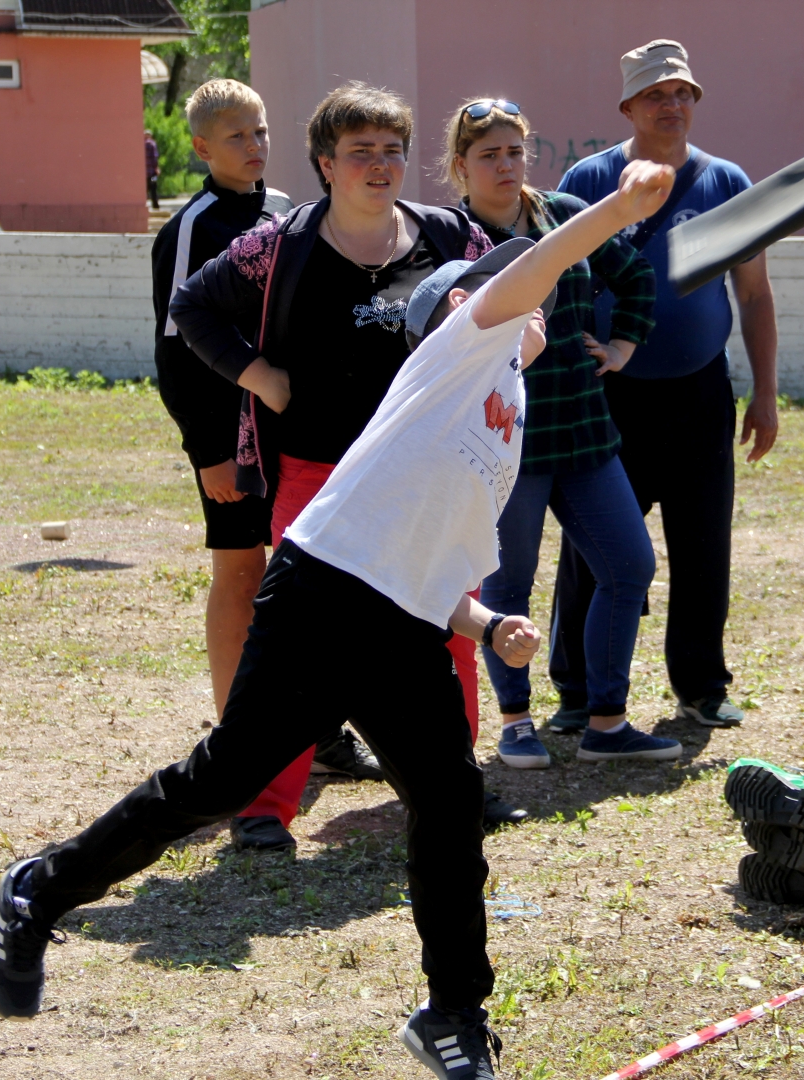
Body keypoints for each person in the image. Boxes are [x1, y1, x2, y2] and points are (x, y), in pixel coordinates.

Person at [0, 158, 682, 1080]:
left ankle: (453, 1014)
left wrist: (483, 627)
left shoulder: (504, 407)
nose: (528, 296)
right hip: (322, 593)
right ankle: (42, 888)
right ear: (458, 308)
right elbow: (533, 273)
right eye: (503, 284)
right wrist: (620, 210)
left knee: (448, 800)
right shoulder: (455, 351)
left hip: (403, 622)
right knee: (223, 779)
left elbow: (426, 555)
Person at [165, 82, 520, 849]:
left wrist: (517, 338)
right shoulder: (279, 246)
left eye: (393, 150)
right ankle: (261, 809)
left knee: (444, 633)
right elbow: (193, 307)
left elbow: (523, 305)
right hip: (317, 474)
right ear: (326, 163)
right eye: (361, 152)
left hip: (428, 475)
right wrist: (259, 376)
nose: (380, 165)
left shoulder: (452, 236)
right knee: (300, 644)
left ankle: (452, 791)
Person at [153, 82, 386, 839]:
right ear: (199, 148)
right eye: (234, 137)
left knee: (313, 584)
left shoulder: (286, 212)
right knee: (244, 578)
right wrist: (209, 452)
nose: (253, 147)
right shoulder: (192, 226)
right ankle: (240, 747)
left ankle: (315, 735)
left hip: (295, 440)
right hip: (233, 444)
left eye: (260, 131)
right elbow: (175, 346)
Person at [547, 39, 780, 730]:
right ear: (628, 107)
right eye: (655, 95)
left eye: (682, 93)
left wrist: (764, 392)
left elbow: (756, 295)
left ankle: (702, 684)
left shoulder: (726, 183)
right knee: (593, 545)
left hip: (699, 391)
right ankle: (579, 692)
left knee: (704, 542)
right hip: (608, 393)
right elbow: (557, 278)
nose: (672, 105)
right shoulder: (588, 181)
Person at [440, 98, 679, 766]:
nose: (506, 166)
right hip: (499, 441)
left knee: (629, 565)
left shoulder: (566, 217)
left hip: (582, 429)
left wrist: (623, 345)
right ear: (460, 167)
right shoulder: (447, 238)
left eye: (515, 151)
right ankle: (516, 723)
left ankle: (607, 722)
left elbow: (633, 276)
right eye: (488, 155)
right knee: (505, 586)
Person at [144, 129, 161, 211]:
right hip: (151, 171)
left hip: (143, 172)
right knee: (153, 188)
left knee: (145, 189)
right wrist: (156, 168)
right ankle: (155, 205)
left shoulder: (141, 143)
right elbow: (154, 157)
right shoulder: (152, 144)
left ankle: (145, 205)